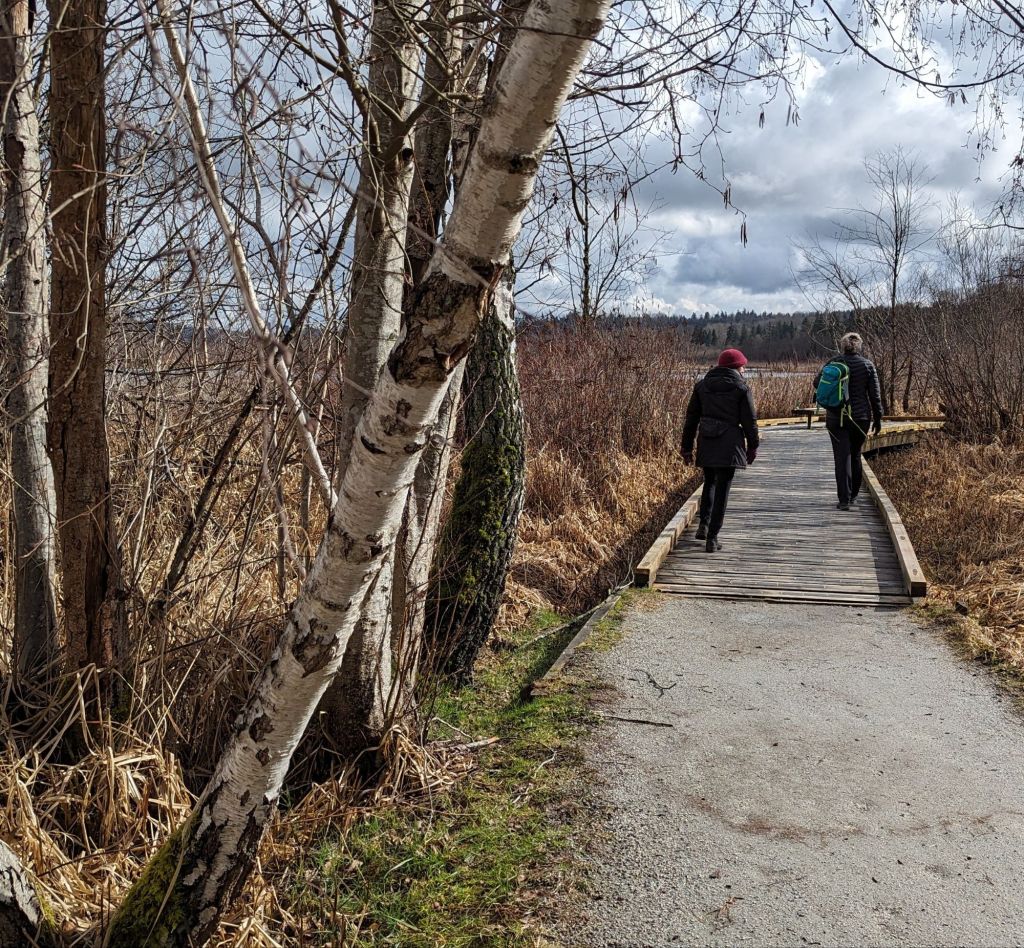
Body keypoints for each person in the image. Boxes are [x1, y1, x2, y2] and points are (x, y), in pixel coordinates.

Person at [681, 348, 760, 553]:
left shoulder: (702, 386)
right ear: (736, 367)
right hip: (730, 444)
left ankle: (704, 524)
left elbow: (691, 419)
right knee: (723, 489)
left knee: (710, 482)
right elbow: (749, 421)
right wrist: (753, 446)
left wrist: (687, 448)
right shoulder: (741, 388)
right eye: (743, 366)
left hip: (707, 441)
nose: (744, 370)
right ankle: (713, 538)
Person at [813, 332, 884, 510]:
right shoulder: (867, 365)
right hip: (860, 418)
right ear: (859, 346)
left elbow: (816, 383)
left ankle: (843, 500)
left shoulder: (833, 363)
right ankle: (853, 496)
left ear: (842, 346)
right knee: (855, 454)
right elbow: (875, 396)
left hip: (836, 417)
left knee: (841, 457)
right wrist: (878, 418)